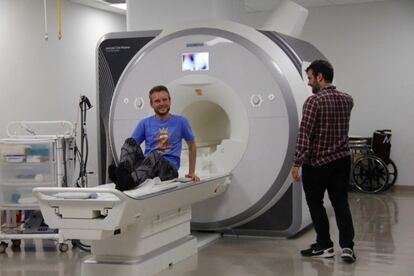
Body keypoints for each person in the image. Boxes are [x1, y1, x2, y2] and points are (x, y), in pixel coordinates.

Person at [291, 60, 356, 263]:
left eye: (310, 78)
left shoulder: (313, 102)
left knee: (316, 204)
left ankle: (325, 245)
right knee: (341, 204)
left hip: (317, 163)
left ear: (320, 77)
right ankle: (347, 248)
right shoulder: (348, 99)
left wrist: (297, 163)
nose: (309, 83)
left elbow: (305, 134)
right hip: (342, 160)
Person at [111, 85, 200, 191]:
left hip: (169, 170)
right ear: (151, 104)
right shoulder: (144, 123)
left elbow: (192, 146)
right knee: (129, 142)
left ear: (170, 101)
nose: (162, 103)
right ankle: (123, 174)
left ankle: (126, 182)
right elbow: (132, 146)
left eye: (164, 100)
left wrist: (191, 172)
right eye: (157, 101)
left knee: (155, 156)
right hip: (148, 165)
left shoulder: (181, 122)